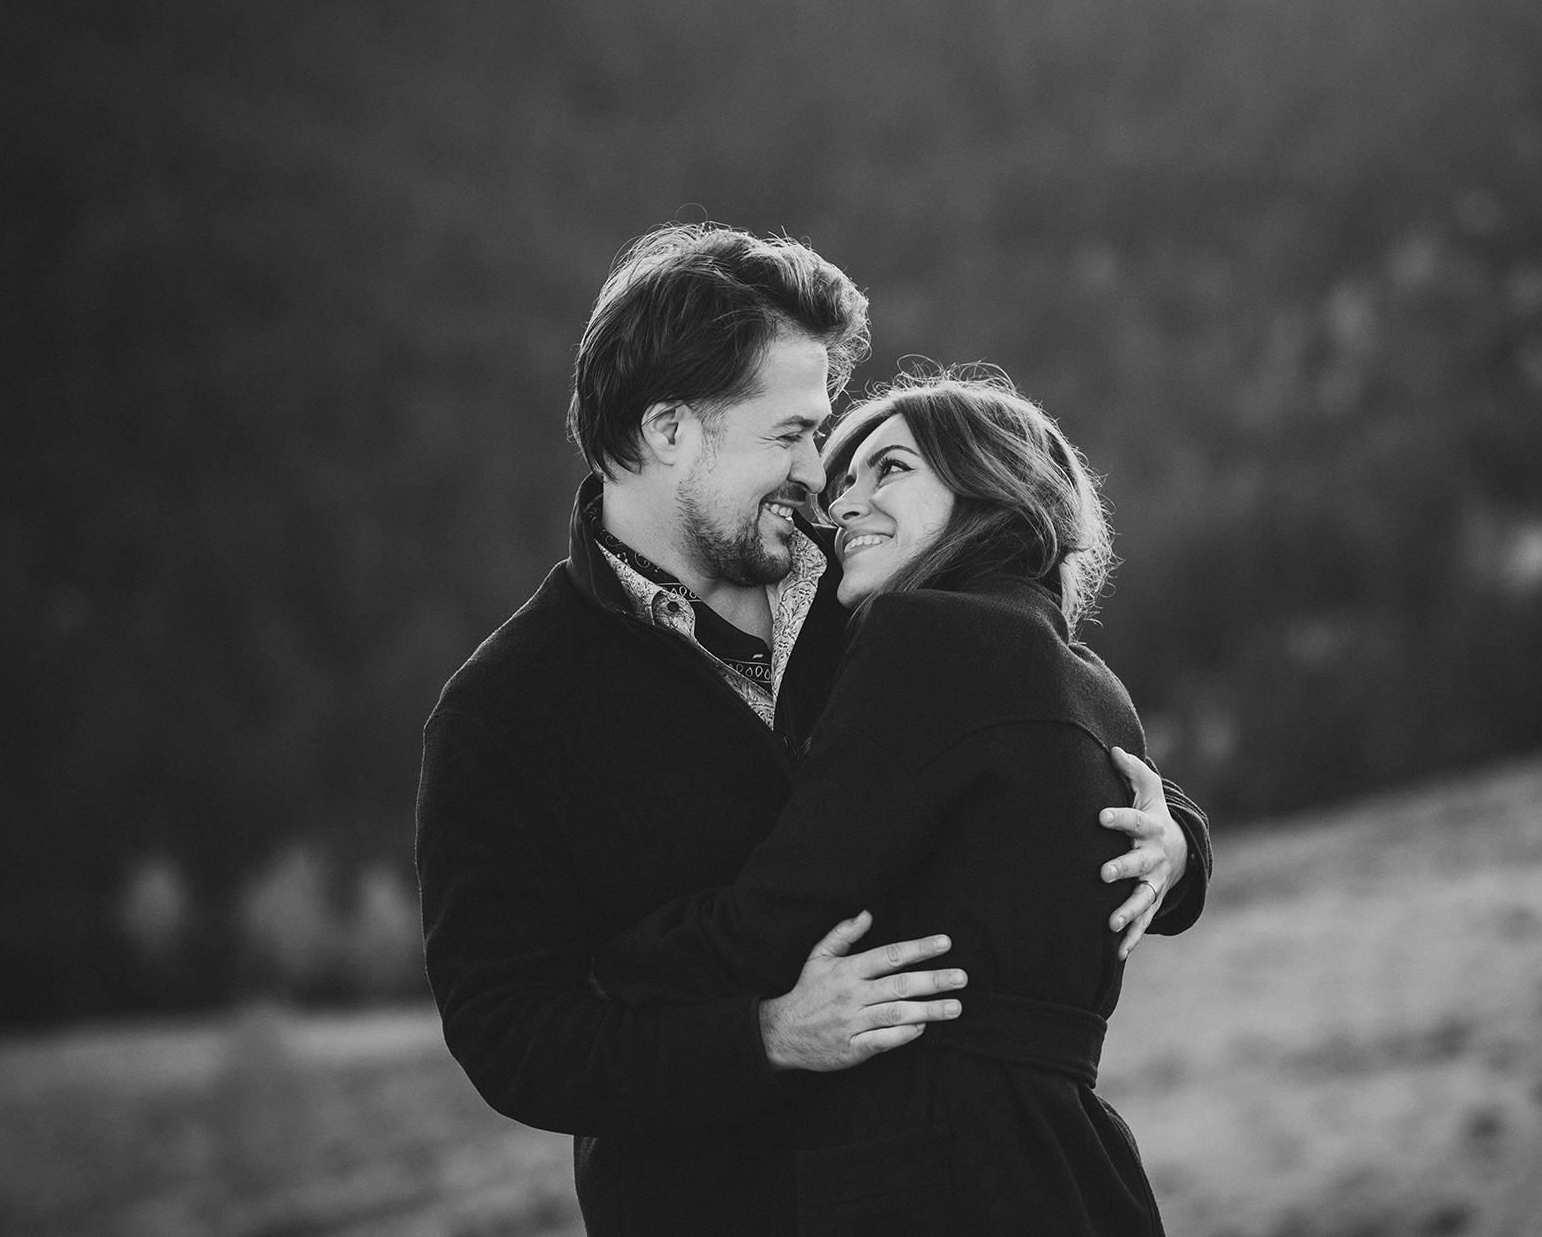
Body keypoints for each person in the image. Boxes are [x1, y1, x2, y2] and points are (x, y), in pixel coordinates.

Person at [414, 223, 1212, 1235]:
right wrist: (762, 1040)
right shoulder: (503, 713)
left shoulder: (880, 580)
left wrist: (1178, 844)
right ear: (669, 430)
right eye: (789, 433)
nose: (818, 472)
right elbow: (512, 1035)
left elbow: (1044, 707)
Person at [596, 368, 1180, 1234]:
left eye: (891, 469)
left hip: (936, 1171)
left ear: (990, 487)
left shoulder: (926, 638)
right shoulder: (1092, 683)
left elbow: (789, 908)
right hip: (1076, 1162)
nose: (844, 506)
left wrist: (612, 964)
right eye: (843, 482)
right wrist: (1187, 850)